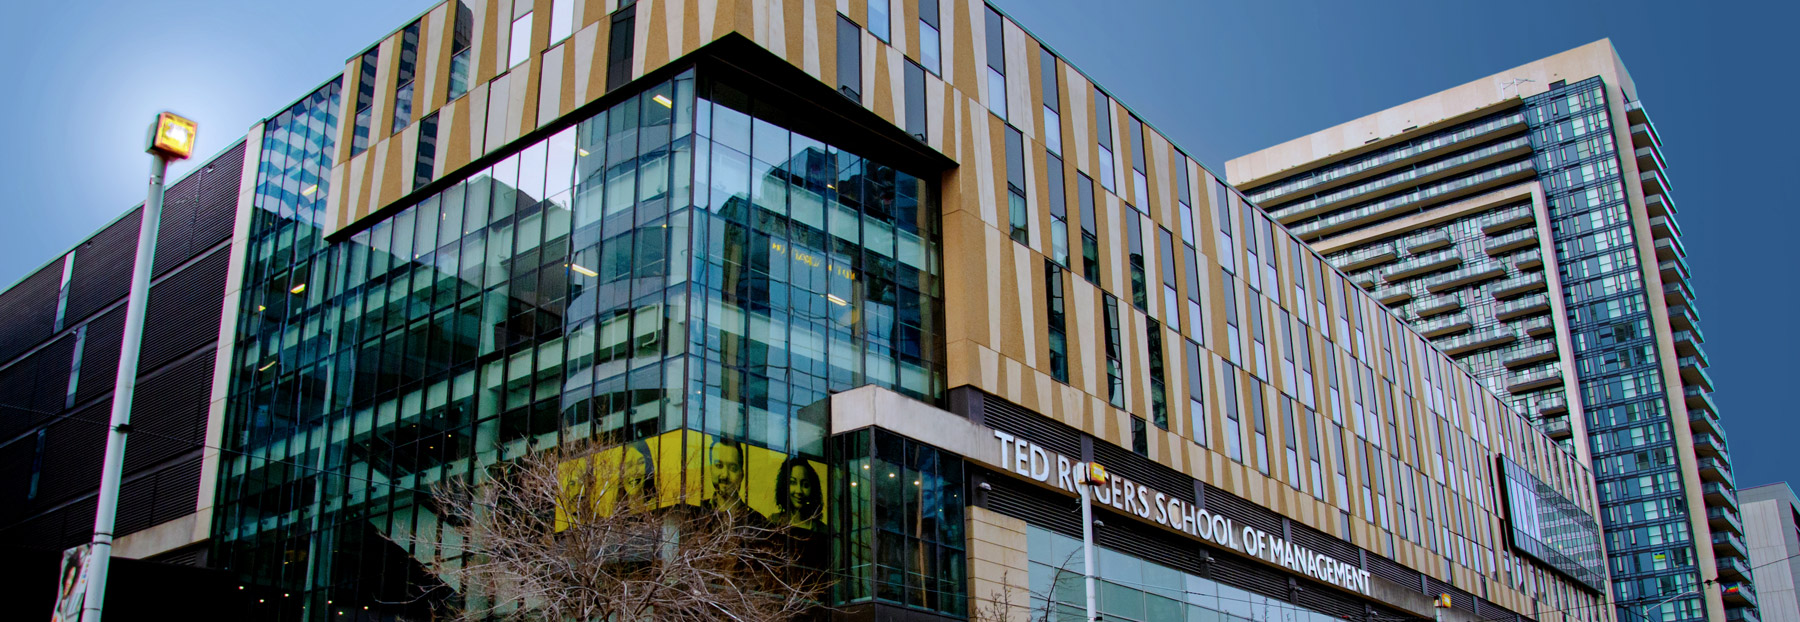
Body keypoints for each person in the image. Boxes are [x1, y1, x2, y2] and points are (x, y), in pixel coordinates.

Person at [771, 457, 825, 531]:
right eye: (793, 482)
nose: (799, 491)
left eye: (805, 485)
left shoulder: (823, 530)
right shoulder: (774, 521)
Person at [618, 439, 656, 505]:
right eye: (629, 465)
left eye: (640, 463)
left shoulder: (657, 504)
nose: (635, 471)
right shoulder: (613, 513)